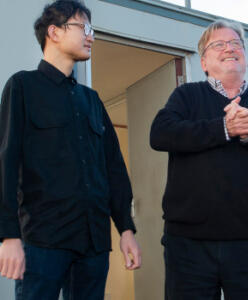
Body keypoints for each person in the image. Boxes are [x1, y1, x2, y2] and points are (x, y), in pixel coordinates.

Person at [150, 19, 248, 300]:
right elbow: (160, 134)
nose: (229, 49)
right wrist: (224, 128)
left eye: (236, 44)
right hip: (189, 247)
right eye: (219, 44)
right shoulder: (186, 96)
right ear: (204, 62)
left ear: (245, 57)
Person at [0, 1, 141, 299]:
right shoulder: (22, 87)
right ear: (54, 31)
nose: (91, 36)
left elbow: (114, 169)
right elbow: (6, 163)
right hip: (42, 241)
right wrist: (9, 235)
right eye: (84, 28)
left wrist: (126, 229)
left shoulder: (92, 100)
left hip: (93, 244)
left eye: (93, 30)